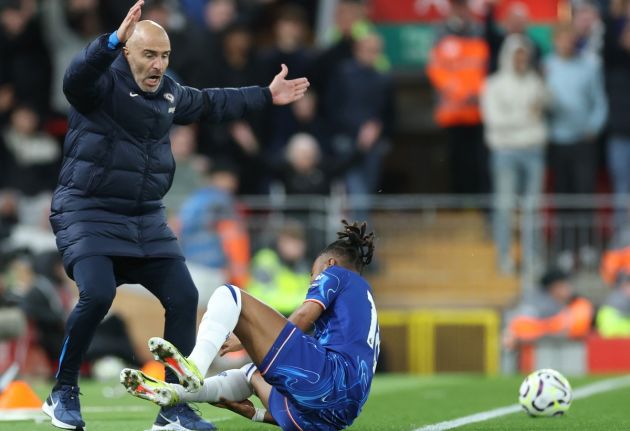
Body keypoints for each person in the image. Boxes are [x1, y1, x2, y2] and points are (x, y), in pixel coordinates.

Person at [43, 1, 310, 430]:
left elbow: (209, 103)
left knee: (185, 298)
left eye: (164, 56)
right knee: (97, 294)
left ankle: (173, 409)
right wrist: (109, 40)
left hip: (145, 217)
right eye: (149, 54)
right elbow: (74, 78)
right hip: (88, 210)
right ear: (127, 52)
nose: (158, 64)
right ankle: (64, 391)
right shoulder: (98, 86)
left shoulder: (168, 92)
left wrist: (266, 95)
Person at [120, 220, 380, 431]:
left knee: (229, 294)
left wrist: (248, 337)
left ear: (329, 264)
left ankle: (195, 366)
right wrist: (255, 414)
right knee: (249, 374)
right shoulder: (365, 307)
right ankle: (175, 393)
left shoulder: (336, 273)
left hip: (329, 378)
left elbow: (303, 317)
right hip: (334, 415)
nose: (313, 279)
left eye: (313, 273)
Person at [481, 34, 548, 274]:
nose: (521, 60)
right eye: (517, 55)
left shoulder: (535, 83)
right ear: (508, 56)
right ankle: (505, 257)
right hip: (505, 151)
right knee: (504, 206)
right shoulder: (494, 84)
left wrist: (528, 116)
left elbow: (544, 110)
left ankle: (532, 257)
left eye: (524, 56)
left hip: (533, 150)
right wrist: (527, 118)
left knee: (533, 207)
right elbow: (495, 121)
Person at [545, 24, 607, 270]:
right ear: (555, 40)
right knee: (563, 195)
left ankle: (587, 245)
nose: (566, 43)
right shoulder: (547, 67)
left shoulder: (589, 67)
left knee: (585, 193)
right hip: (558, 141)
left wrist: (594, 127)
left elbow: (599, 101)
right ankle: (566, 248)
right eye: (562, 38)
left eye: (570, 38)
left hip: (583, 140)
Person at [426, 0, 489, 194]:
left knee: (479, 161)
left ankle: (478, 205)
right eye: (456, 5)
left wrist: (477, 93)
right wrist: (461, 93)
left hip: (478, 112)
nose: (460, 10)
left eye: (463, 5)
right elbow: (436, 70)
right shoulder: (440, 33)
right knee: (455, 161)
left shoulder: (479, 31)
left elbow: (485, 67)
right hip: (452, 112)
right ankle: (460, 204)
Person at [179, 160, 250, 290]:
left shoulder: (194, 199)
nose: (233, 183)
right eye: (229, 178)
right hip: (212, 270)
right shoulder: (222, 200)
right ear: (217, 178)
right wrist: (237, 273)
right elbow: (232, 237)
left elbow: (178, 228)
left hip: (189, 266)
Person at [502, 269, 594, 350]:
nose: (568, 289)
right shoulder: (540, 304)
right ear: (554, 287)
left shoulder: (571, 303)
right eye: (564, 285)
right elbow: (518, 327)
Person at [247, 221, 311, 316]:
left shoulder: (303, 267)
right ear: (280, 242)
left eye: (299, 242)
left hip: (294, 319)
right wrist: (298, 302)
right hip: (266, 318)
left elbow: (310, 294)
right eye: (291, 241)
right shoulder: (266, 260)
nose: (295, 247)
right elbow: (258, 295)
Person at [596, 270, 630, 337]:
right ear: (624, 285)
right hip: (614, 333)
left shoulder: (614, 296)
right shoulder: (621, 298)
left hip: (609, 333)